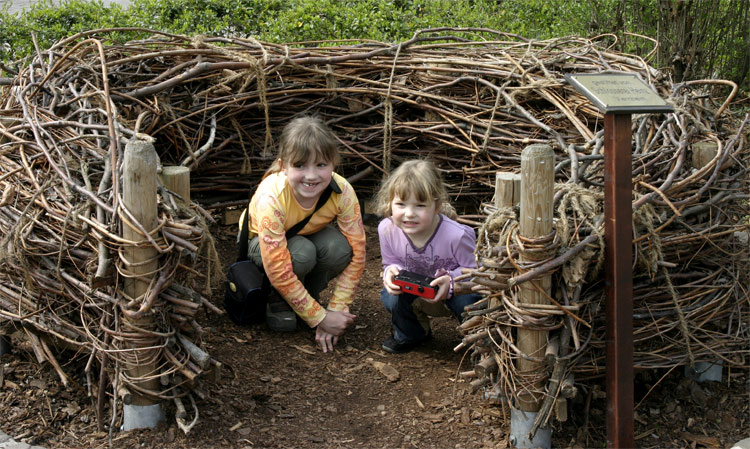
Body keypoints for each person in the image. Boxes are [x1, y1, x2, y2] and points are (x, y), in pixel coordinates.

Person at [239, 115, 366, 353]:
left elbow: (358, 252)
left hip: (307, 233)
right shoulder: (272, 196)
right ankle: (277, 300)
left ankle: (309, 294)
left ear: (333, 164)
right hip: (261, 243)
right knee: (302, 253)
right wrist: (319, 318)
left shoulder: (343, 191)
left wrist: (338, 308)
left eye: (321, 165)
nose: (311, 176)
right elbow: (277, 266)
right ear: (283, 165)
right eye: (300, 166)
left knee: (339, 248)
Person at [374, 160, 481, 354]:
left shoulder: (457, 235)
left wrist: (451, 282)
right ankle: (411, 334)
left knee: (468, 302)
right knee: (391, 295)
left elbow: (474, 272)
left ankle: (476, 340)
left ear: (437, 205)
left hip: (451, 294)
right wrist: (390, 272)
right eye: (400, 204)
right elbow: (390, 262)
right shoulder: (387, 229)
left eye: (420, 205)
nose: (409, 214)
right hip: (414, 291)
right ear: (390, 202)